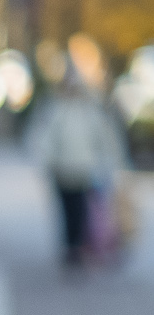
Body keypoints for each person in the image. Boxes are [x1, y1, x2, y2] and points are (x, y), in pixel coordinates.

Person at [32, 70, 128, 268]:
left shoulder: (89, 111)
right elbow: (46, 139)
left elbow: (104, 139)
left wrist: (110, 163)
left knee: (83, 210)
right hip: (62, 170)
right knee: (67, 210)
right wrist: (47, 162)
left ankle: (79, 246)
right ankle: (71, 246)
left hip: (84, 170)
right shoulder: (57, 110)